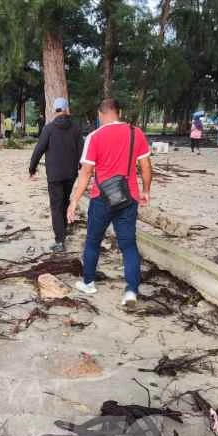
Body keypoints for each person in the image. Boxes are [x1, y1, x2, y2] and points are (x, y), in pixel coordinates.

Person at [66, 98, 152, 308]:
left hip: (101, 198)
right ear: (118, 112)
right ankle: (131, 290)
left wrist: (74, 200)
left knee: (93, 241)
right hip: (128, 197)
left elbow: (86, 173)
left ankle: (88, 282)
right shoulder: (136, 133)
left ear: (100, 114)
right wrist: (145, 191)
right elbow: (146, 167)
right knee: (128, 245)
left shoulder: (94, 137)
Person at [29, 97, 83, 252]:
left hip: (54, 175)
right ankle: (63, 230)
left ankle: (60, 240)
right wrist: (80, 166)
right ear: (66, 110)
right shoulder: (76, 128)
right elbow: (82, 150)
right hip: (70, 173)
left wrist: (32, 168)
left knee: (56, 205)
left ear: (55, 110)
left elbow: (38, 149)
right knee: (65, 201)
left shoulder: (49, 129)